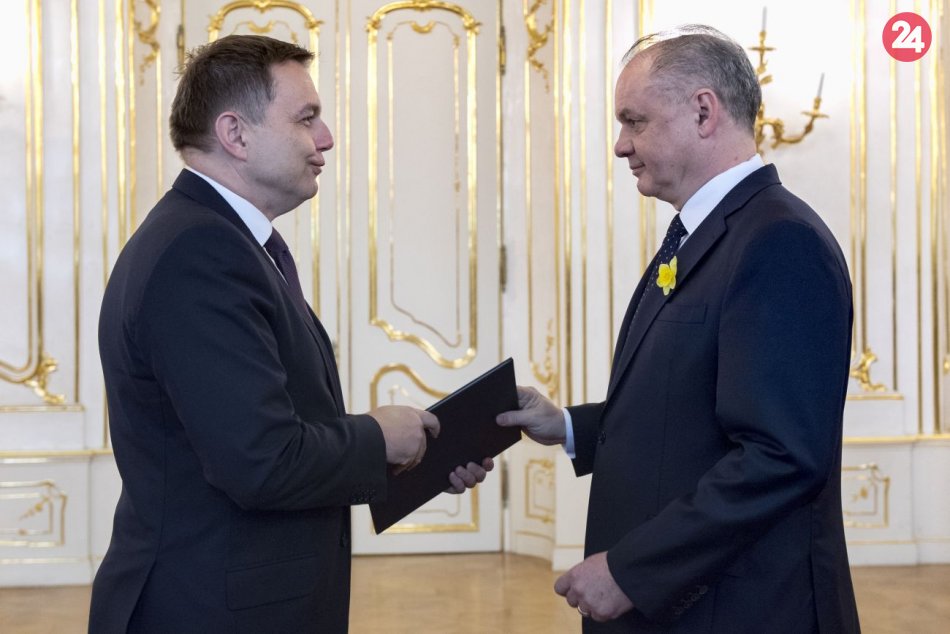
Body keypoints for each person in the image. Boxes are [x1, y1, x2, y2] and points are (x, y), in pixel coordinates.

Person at [91, 35, 490, 633]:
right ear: (235, 134)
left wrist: (412, 459)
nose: (325, 138)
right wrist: (378, 437)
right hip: (209, 610)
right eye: (307, 118)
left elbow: (252, 435)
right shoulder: (201, 251)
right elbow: (260, 462)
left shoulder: (220, 240)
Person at [498, 25, 860, 633]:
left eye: (634, 121)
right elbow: (690, 408)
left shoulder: (779, 241)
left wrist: (631, 572)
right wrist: (567, 426)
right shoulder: (709, 231)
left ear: (703, 111)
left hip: (737, 610)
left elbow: (779, 456)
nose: (621, 145)